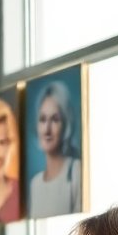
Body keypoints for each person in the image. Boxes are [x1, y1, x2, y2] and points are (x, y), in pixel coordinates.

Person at [27, 80, 82, 218]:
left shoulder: (76, 171)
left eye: (55, 119)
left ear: (66, 124)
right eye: (42, 119)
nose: (47, 129)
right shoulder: (35, 184)